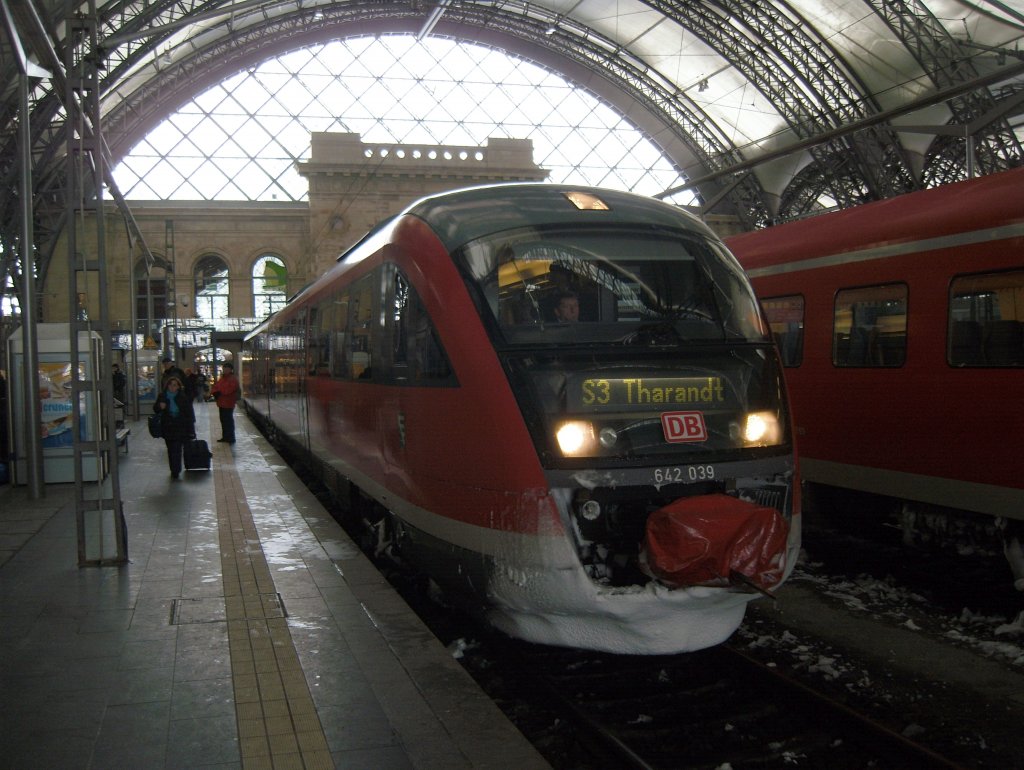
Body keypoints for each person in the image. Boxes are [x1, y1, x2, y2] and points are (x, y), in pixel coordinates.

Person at [153, 375, 195, 479]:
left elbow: (189, 413)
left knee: (176, 448)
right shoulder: (162, 396)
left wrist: (191, 429)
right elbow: (155, 409)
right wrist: (159, 406)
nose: (172, 387)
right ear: (167, 386)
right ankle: (174, 468)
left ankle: (176, 470)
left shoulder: (182, 397)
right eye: (171, 385)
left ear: (178, 387)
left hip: (180, 426)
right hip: (167, 426)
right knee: (171, 448)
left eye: (175, 385)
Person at [210, 362, 239, 444]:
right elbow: (216, 386)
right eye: (224, 368)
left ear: (230, 369)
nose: (225, 370)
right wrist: (214, 392)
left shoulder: (232, 379)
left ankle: (231, 437)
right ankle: (225, 436)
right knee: (223, 420)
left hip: (228, 403)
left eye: (227, 368)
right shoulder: (222, 378)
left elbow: (229, 390)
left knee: (228, 421)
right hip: (221, 403)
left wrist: (219, 392)